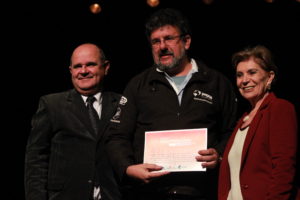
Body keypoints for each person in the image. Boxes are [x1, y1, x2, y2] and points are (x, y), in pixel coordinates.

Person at [106, 8, 237, 200]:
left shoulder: (215, 82)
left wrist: (219, 155)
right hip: (149, 193)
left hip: (203, 191)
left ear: (186, 41)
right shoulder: (138, 85)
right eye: (156, 41)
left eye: (168, 38)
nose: (162, 46)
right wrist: (128, 168)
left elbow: (233, 131)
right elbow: (116, 136)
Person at [24, 43, 122, 200]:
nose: (83, 71)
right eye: (77, 66)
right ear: (71, 71)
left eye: (90, 64)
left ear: (106, 67)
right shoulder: (52, 105)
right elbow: (36, 159)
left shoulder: (121, 104)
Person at [218, 45, 298, 200]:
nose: (245, 80)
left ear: (269, 77)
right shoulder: (243, 119)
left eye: (252, 72)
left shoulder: (279, 109)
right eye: (239, 75)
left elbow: (283, 168)